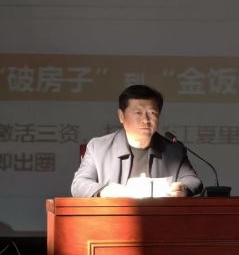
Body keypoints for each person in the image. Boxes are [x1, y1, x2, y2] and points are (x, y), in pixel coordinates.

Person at [71, 84, 202, 197]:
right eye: (138, 113)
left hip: (159, 215)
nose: (145, 120)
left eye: (152, 113)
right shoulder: (98, 147)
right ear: (121, 116)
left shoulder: (174, 150)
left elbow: (193, 180)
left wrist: (183, 188)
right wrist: (105, 191)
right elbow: (79, 184)